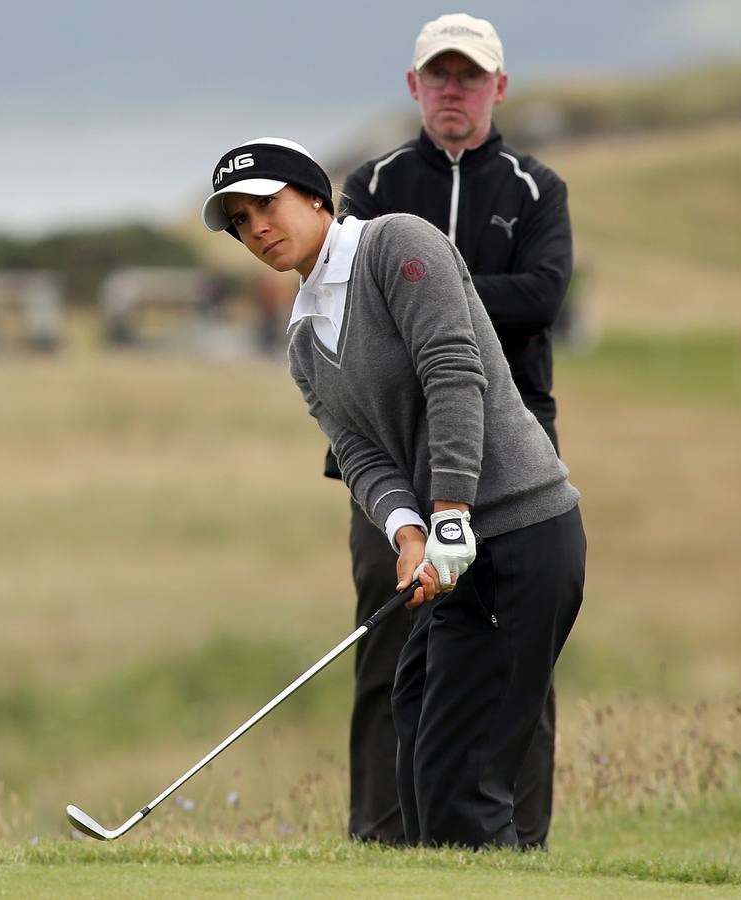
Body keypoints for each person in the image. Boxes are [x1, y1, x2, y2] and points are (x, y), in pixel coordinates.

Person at [200, 136, 584, 848]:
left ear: (315, 196)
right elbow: (361, 456)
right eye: (238, 221)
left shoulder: (396, 244)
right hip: (453, 547)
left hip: (521, 530)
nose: (254, 228)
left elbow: (452, 370)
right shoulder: (304, 338)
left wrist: (449, 512)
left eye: (266, 205)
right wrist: (409, 535)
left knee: (465, 784)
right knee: (414, 737)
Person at [335, 13, 574, 848]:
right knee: (387, 640)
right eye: (437, 75)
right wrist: (468, 303)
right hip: (397, 456)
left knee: (520, 654)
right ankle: (382, 836)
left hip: (513, 455)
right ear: (414, 86)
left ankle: (522, 836)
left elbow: (544, 296)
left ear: (497, 88)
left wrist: (440, 300)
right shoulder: (372, 187)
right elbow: (356, 316)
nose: (452, 89)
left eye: (468, 76)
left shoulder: (535, 189)